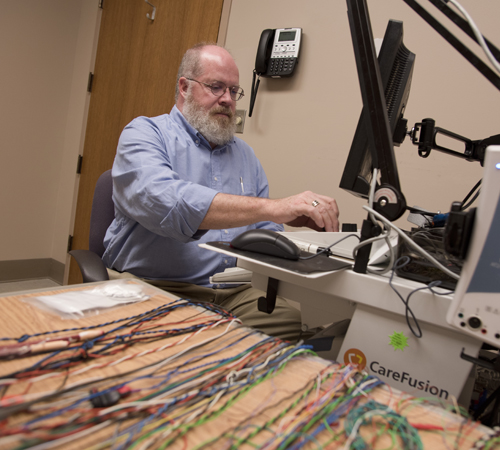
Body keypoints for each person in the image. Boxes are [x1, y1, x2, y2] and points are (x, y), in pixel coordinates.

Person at [102, 43, 339, 341]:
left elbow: (266, 228)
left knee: (288, 324)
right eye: (216, 87)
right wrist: (273, 207)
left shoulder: (246, 156)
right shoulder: (145, 134)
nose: (227, 99)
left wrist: (299, 240)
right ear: (185, 87)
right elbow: (168, 201)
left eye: (233, 90)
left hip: (232, 292)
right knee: (179, 347)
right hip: (155, 286)